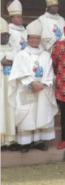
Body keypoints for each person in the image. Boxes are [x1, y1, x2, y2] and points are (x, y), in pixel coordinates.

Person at [8, 20, 58, 152]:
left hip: (42, 90)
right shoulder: (21, 55)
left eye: (37, 38)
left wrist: (42, 84)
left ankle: (38, 141)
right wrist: (31, 83)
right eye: (32, 38)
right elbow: (19, 71)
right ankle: (25, 143)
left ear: (40, 39)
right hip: (27, 89)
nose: (35, 40)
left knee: (40, 113)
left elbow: (49, 71)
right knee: (27, 115)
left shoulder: (46, 55)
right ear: (28, 38)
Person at [1, 17, 16, 149]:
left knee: (10, 111)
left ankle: (10, 140)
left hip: (11, 86)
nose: (6, 37)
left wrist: (11, 62)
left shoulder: (13, 49)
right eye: (3, 35)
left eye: (7, 35)